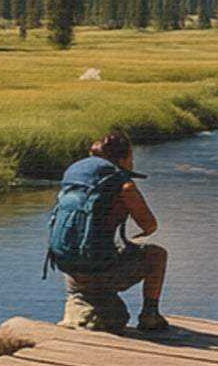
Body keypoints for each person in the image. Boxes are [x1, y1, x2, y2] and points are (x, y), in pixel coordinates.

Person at [55, 130, 169, 334]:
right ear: (125, 158)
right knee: (157, 255)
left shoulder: (77, 179)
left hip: (69, 270)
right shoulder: (123, 185)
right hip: (101, 271)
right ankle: (150, 315)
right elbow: (150, 226)